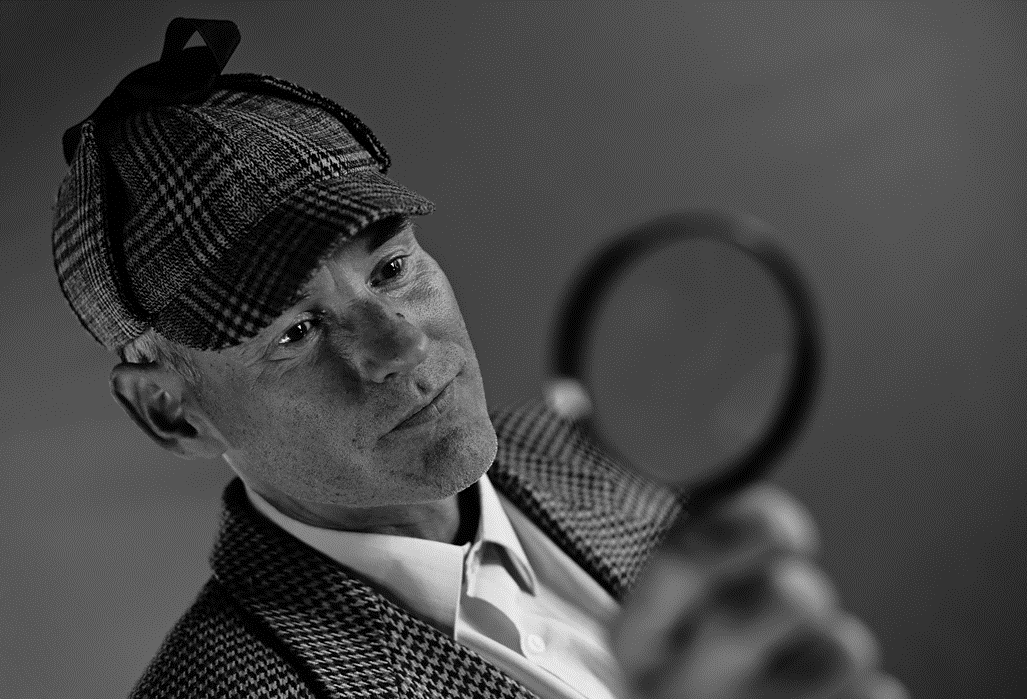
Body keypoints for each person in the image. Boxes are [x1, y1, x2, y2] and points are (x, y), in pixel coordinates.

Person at [52, 18, 908, 699]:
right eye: (293, 332)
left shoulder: (596, 457)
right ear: (171, 410)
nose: (400, 342)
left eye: (391, 268)